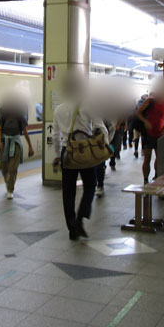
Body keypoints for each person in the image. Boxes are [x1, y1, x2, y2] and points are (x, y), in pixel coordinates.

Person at [53, 81, 108, 240]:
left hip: (67, 152)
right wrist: (106, 145)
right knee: (90, 185)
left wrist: (58, 154)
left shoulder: (58, 109)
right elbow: (101, 127)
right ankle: (80, 217)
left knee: (68, 191)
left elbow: (55, 135)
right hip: (85, 150)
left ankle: (72, 228)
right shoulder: (87, 105)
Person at [0, 103, 35, 199]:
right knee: (3, 167)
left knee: (12, 168)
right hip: (4, 143)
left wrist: (30, 146)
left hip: (16, 142)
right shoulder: (3, 115)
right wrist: (0, 141)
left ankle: (10, 190)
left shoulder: (20, 116)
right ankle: (8, 181)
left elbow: (25, 131)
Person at [136, 91, 164, 183]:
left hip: (160, 134)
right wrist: (145, 122)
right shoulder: (149, 102)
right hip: (148, 134)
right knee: (147, 157)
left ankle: (156, 176)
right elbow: (138, 113)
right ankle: (146, 179)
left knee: (159, 157)